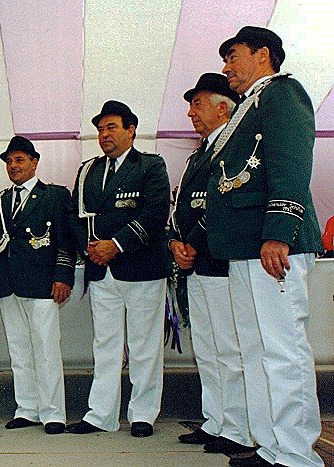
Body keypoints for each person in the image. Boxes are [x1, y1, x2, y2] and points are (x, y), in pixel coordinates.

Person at [205, 26, 324, 466]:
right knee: (256, 348)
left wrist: (279, 232)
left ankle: (296, 453)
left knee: (282, 348)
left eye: (233, 55)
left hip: (272, 244)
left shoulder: (281, 94)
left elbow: (291, 163)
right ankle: (272, 444)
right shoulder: (249, 105)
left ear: (263, 54)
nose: (226, 67)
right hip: (246, 246)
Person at [67, 101, 170, 437]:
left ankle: (143, 414)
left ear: (131, 130)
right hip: (101, 270)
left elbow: (155, 213)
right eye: (100, 129)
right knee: (105, 345)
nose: (104, 135)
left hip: (141, 267)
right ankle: (101, 415)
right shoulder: (89, 170)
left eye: (111, 127)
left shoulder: (150, 165)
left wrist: (116, 244)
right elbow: (74, 216)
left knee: (144, 345)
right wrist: (90, 247)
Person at [170, 73, 254, 454]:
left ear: (223, 108)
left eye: (197, 104)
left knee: (229, 348)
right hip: (197, 266)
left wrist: (193, 240)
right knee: (205, 347)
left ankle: (237, 428)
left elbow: (221, 203)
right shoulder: (197, 156)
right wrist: (175, 242)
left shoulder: (232, 148)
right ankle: (215, 419)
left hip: (221, 263)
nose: (191, 113)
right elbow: (180, 209)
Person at [0, 136, 75, 435]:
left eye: (19, 160)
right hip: (8, 283)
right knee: (19, 349)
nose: (13, 166)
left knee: (46, 347)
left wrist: (63, 275)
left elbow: (65, 239)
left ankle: (53, 412)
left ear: (34, 162)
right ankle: (27, 408)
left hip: (43, 282)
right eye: (9, 161)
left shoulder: (54, 196)